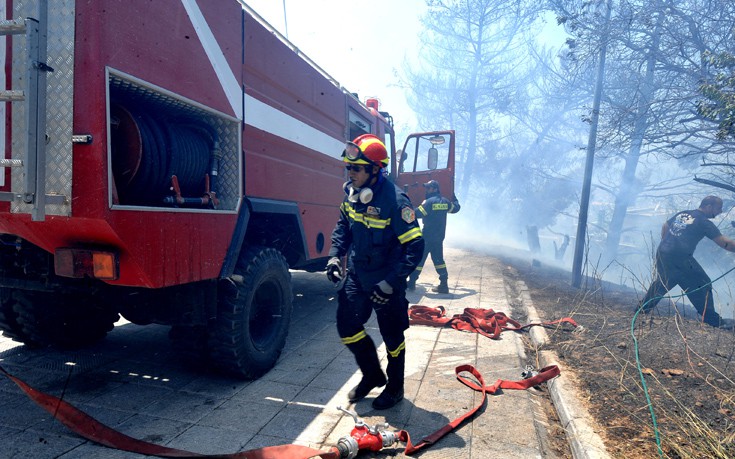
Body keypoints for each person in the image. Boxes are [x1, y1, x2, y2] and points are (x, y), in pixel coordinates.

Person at [326, 134, 424, 410]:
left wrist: (392, 283)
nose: (350, 173)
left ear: (374, 169)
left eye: (355, 168)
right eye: (348, 168)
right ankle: (372, 374)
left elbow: (415, 246)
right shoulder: (352, 195)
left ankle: (395, 388)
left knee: (392, 338)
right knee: (347, 327)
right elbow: (343, 227)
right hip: (358, 276)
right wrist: (335, 257)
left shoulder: (396, 201)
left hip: (386, 281)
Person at [638, 195, 735, 327]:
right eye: (719, 208)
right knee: (703, 282)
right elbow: (725, 243)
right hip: (680, 258)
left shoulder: (684, 213)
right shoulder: (704, 222)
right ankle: (713, 320)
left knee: (664, 281)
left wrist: (667, 243)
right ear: (708, 206)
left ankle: (641, 309)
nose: (720, 212)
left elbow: (665, 225)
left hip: (662, 252)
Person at [407, 180, 460, 293]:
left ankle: (411, 283)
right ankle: (444, 284)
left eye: (429, 188)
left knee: (419, 259)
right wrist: (454, 197)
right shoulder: (445, 202)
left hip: (427, 237)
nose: (427, 190)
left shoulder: (428, 202)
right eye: (426, 188)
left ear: (435, 189)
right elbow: (456, 208)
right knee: (438, 260)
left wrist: (407, 206)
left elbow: (417, 214)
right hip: (439, 237)